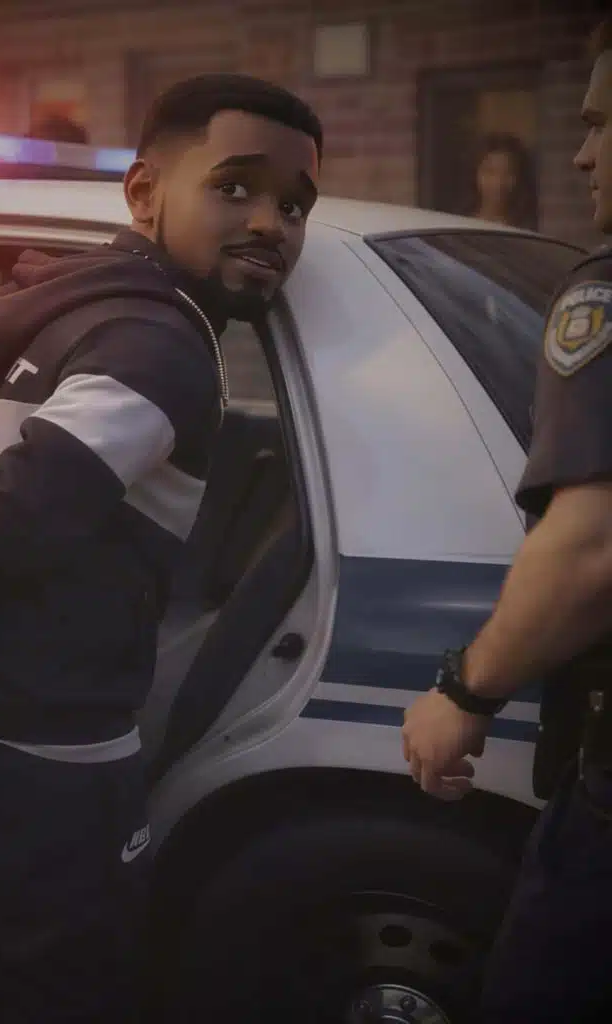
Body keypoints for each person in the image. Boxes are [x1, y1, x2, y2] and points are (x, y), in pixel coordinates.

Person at [0, 73, 322, 1024]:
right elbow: (35, 499)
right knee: (76, 964)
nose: (270, 224)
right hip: (58, 725)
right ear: (144, 193)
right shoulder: (166, 345)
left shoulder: (35, 300)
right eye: (236, 187)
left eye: (293, 205)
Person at [402, 18, 612, 1022]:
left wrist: (464, 691)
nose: (581, 153)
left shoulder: (603, 294)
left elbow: (590, 545)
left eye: (603, 123)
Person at [469, 132, 538, 230]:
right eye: (490, 171)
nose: (498, 182)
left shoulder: (525, 229)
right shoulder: (461, 223)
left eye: (508, 173)